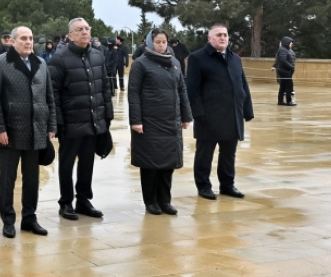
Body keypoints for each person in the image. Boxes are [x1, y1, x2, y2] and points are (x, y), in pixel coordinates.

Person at [0, 26, 56, 238]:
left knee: (32, 178)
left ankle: (29, 218)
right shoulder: (0, 63)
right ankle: (8, 220)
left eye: (30, 38)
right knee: (8, 179)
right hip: (11, 131)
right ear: (13, 41)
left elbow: (49, 97)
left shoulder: (41, 63)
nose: (28, 42)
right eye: (23, 38)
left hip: (36, 130)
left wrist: (51, 125)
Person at [49, 17, 113, 220]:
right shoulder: (60, 58)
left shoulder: (97, 56)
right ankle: (66, 202)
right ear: (70, 36)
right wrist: (58, 121)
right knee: (67, 163)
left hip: (92, 120)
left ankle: (84, 200)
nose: (85, 32)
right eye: (79, 29)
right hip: (71, 122)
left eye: (87, 28)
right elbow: (53, 93)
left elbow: (104, 87)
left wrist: (107, 116)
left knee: (87, 162)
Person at [186, 24, 254, 200]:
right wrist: (198, 114)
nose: (222, 37)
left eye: (225, 35)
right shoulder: (197, 58)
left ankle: (227, 185)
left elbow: (242, 85)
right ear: (210, 38)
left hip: (232, 115)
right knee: (204, 154)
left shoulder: (235, 59)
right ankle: (203, 186)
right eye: (218, 35)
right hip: (209, 117)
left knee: (228, 155)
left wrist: (247, 110)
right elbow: (192, 89)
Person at [128, 28, 192, 215]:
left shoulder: (174, 63)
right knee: (150, 164)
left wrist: (186, 116)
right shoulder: (140, 64)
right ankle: (151, 201)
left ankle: (165, 200)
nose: (161, 45)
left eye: (164, 42)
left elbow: (182, 90)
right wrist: (136, 120)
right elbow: (133, 93)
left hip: (171, 121)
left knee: (168, 163)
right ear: (150, 42)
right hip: (149, 122)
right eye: (158, 42)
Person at [274, 36, 296, 106]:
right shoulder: (283, 50)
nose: (291, 44)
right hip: (284, 70)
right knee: (289, 85)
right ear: (287, 43)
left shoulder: (285, 49)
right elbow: (283, 60)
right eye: (290, 43)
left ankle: (280, 101)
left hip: (284, 70)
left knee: (283, 86)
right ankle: (289, 101)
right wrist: (291, 66)